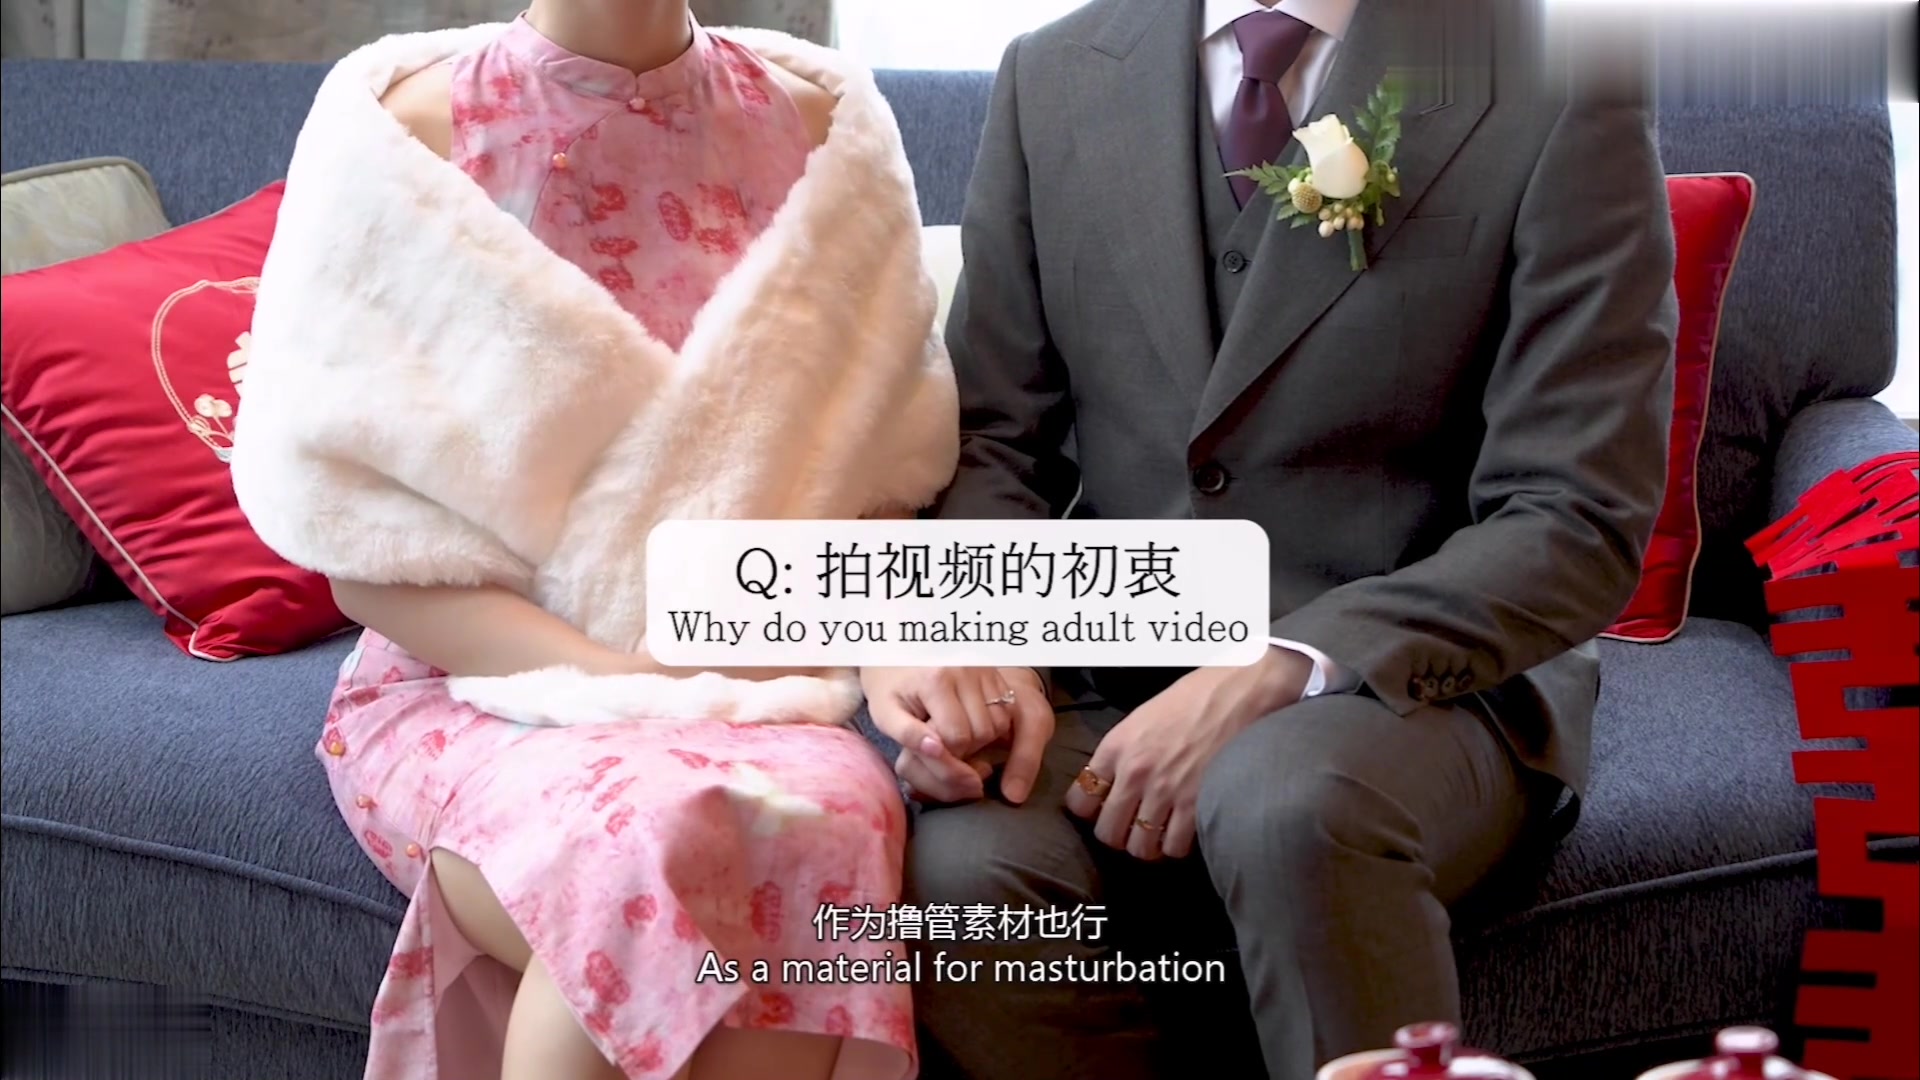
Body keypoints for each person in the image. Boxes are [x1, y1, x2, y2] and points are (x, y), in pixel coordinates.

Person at [860, 0, 1679, 1077]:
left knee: (1288, 806)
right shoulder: (1050, 73)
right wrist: (989, 642)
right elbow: (998, 442)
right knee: (957, 873)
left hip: (1416, 688)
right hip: (1109, 674)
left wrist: (1282, 665)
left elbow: (1575, 516)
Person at [229, 2, 958, 1078]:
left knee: (812, 823)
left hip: (765, 688)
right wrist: (637, 683)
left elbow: (881, 475)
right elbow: (363, 545)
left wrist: (887, 644)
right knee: (643, 842)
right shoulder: (398, 130)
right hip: (476, 685)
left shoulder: (827, 126)